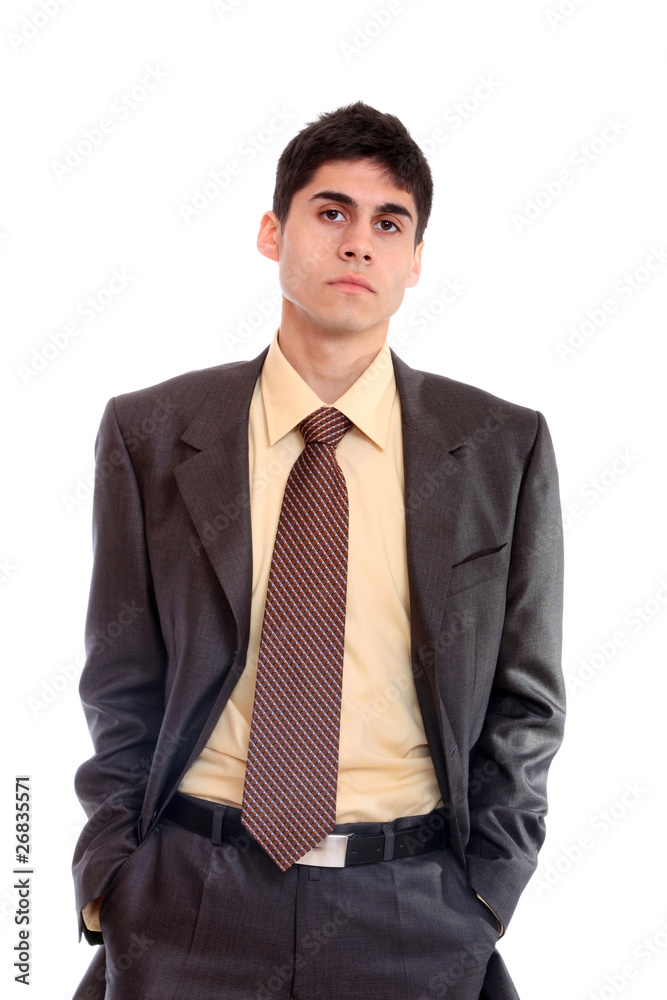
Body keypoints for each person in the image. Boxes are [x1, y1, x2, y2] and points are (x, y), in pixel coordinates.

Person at [71, 101, 565, 1000]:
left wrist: (487, 894)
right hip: (189, 901)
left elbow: (524, 701)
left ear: (416, 261)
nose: (358, 244)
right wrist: (113, 878)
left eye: (389, 223)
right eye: (331, 212)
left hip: (412, 911)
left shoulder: (500, 445)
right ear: (273, 232)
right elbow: (119, 679)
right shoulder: (151, 432)